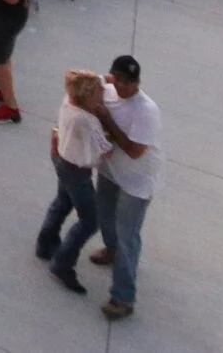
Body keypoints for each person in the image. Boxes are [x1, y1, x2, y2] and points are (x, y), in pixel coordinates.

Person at [82, 54, 162, 321]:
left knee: (129, 235)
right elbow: (89, 83)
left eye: (132, 82)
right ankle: (111, 250)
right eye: (122, 81)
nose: (127, 87)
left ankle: (123, 297)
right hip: (110, 172)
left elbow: (134, 151)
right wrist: (96, 81)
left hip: (136, 183)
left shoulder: (146, 110)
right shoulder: (108, 88)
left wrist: (106, 120)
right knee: (105, 217)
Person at [37, 69, 104, 293]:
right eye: (98, 94)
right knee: (91, 220)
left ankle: (45, 245)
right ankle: (63, 265)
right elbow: (102, 151)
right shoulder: (85, 120)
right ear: (87, 97)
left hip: (61, 158)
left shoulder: (68, 101)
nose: (102, 96)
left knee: (62, 202)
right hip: (77, 171)